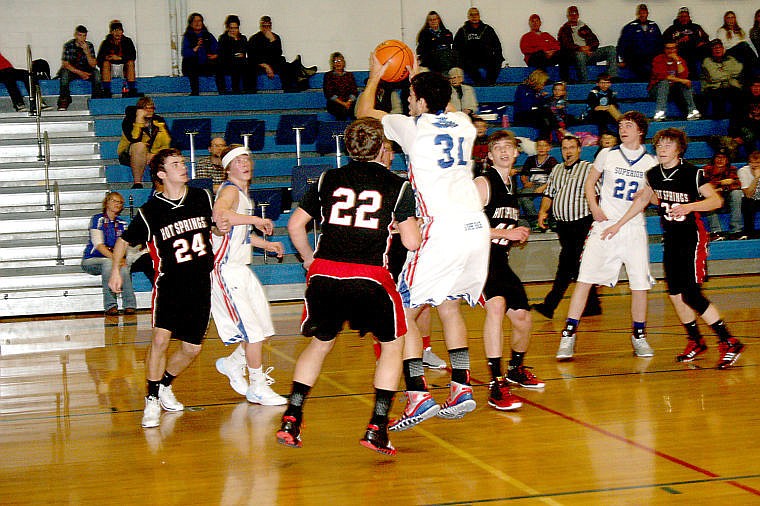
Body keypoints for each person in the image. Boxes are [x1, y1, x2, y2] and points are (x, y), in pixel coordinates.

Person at [357, 60, 491, 430]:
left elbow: (364, 112)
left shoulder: (412, 128)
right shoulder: (464, 122)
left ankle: (417, 394)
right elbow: (442, 100)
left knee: (400, 311)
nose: (408, 102)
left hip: (443, 229)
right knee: (448, 307)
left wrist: (375, 76)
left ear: (417, 100)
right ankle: (462, 387)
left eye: (411, 96)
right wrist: (420, 74)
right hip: (476, 228)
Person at [276, 118, 420, 455]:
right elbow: (411, 243)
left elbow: (296, 225)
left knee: (319, 345)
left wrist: (310, 259)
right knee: (393, 345)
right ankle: (377, 427)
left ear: (348, 146)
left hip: (325, 274)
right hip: (368, 276)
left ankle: (292, 417)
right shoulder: (396, 185)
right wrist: (403, 226)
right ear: (382, 146)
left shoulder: (329, 177)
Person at [109, 148, 224, 428]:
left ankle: (164, 386)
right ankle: (151, 401)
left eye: (183, 162)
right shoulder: (151, 211)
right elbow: (124, 241)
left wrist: (220, 228)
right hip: (170, 284)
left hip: (200, 284)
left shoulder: (201, 197)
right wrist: (116, 269)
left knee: (191, 349)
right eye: (176, 164)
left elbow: (215, 230)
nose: (183, 167)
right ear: (162, 174)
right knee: (160, 340)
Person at [556, 111, 656, 360]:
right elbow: (590, 183)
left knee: (640, 285)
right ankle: (568, 335)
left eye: (629, 125)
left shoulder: (650, 162)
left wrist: (646, 195)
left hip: (632, 229)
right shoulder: (607, 154)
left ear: (640, 131)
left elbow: (654, 198)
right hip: (604, 226)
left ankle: (639, 336)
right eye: (621, 125)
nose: (623, 129)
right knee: (584, 279)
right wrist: (594, 207)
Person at [642, 128, 745, 369]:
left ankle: (729, 341)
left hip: (693, 237)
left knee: (691, 293)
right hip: (671, 237)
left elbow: (716, 201)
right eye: (659, 146)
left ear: (679, 150)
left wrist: (688, 206)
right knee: (675, 294)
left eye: (668, 146)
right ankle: (696, 340)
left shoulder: (692, 173)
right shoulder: (652, 174)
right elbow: (653, 198)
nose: (662, 149)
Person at [210, 145, 287, 405]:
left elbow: (238, 232)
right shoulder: (230, 190)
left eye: (247, 159)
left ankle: (233, 363)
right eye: (238, 161)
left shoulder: (245, 195)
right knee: (253, 333)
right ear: (228, 168)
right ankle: (257, 386)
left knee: (262, 328)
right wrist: (255, 219)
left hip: (241, 269)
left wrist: (267, 244)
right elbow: (220, 214)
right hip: (226, 271)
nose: (245, 164)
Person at [475, 130, 543, 412]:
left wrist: (514, 234)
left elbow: (504, 228)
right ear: (489, 155)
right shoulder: (483, 183)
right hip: (479, 259)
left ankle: (515, 368)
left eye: (509, 147)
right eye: (498, 148)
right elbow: (465, 227)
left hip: (500, 260)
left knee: (523, 318)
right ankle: (495, 382)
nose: (504, 151)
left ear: (516, 153)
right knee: (496, 307)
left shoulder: (511, 184)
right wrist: (506, 233)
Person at [532, 135, 601, 319]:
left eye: (571, 147)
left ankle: (550, 305)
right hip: (563, 225)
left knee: (566, 264)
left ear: (579, 149)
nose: (568, 151)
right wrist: (542, 212)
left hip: (582, 223)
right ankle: (593, 305)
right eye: (564, 148)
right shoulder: (557, 169)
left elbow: (601, 192)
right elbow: (550, 192)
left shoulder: (588, 169)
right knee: (578, 266)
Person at [81, 192, 136, 316]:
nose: (117, 204)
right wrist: (116, 259)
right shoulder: (98, 219)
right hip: (92, 260)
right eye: (114, 201)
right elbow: (98, 245)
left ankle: (130, 305)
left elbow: (125, 245)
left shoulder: (123, 224)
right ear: (106, 202)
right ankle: (111, 305)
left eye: (120, 202)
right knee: (109, 263)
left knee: (123, 266)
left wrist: (120, 260)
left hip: (113, 259)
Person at [247, 16, 316, 93]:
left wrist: (272, 41)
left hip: (273, 63)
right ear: (261, 26)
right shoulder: (254, 38)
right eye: (264, 26)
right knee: (250, 67)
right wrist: (266, 66)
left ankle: (291, 88)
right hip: (259, 65)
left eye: (268, 26)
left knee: (287, 66)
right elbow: (252, 57)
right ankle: (301, 69)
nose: (266, 28)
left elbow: (278, 54)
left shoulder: (275, 37)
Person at [116, 96, 171, 189]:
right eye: (146, 108)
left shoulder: (159, 120)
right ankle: (137, 183)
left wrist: (154, 153)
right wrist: (139, 121)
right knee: (139, 146)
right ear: (140, 109)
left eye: (152, 108)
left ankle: (159, 184)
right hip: (129, 152)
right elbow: (134, 139)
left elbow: (167, 140)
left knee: (167, 153)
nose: (150, 110)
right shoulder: (129, 120)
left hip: (152, 152)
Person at [557, 5, 617, 83]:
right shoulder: (564, 29)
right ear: (568, 16)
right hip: (576, 55)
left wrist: (589, 47)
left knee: (611, 49)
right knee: (580, 55)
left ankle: (611, 77)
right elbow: (566, 45)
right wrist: (580, 48)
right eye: (571, 14)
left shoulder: (584, 27)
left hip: (590, 52)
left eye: (575, 13)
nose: (573, 16)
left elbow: (595, 41)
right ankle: (584, 81)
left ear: (578, 15)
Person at [648, 42, 701, 121]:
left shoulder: (680, 60)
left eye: (673, 48)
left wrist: (677, 61)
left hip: (673, 91)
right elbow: (663, 76)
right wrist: (682, 80)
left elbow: (684, 76)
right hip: (657, 90)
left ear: (676, 49)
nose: (670, 51)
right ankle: (660, 112)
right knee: (664, 82)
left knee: (685, 84)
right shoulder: (658, 59)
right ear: (664, 49)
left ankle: (692, 111)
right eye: (668, 48)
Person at [453, 7, 504, 86]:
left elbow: (497, 45)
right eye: (471, 15)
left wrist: (499, 57)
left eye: (476, 14)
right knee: (465, 62)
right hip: (470, 59)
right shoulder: (462, 31)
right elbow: (456, 48)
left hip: (486, 58)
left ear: (479, 16)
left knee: (497, 60)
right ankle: (480, 83)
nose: (474, 16)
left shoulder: (488, 29)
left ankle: (490, 82)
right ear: (468, 17)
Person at [57, 25, 103, 111]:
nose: (82, 38)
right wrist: (81, 73)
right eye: (80, 35)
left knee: (97, 74)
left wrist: (87, 52)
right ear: (75, 35)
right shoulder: (68, 45)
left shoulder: (89, 45)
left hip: (86, 68)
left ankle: (96, 100)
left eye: (84, 36)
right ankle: (64, 100)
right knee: (64, 74)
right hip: (73, 69)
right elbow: (66, 64)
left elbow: (93, 65)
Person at [702, 149, 743, 240]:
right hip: (712, 199)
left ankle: (736, 231)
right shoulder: (707, 169)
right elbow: (705, 187)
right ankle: (716, 232)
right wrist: (721, 183)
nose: (720, 160)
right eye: (718, 157)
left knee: (737, 193)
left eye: (723, 157)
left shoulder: (731, 169)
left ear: (727, 160)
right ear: (714, 159)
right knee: (708, 195)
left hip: (727, 200)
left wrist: (721, 188)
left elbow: (736, 185)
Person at [617, 4, 664, 82]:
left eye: (644, 13)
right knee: (644, 70)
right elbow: (622, 45)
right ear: (637, 14)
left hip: (651, 58)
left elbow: (660, 43)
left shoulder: (654, 26)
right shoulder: (630, 27)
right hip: (635, 59)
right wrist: (621, 60)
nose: (642, 15)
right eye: (640, 13)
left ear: (647, 13)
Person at [700, 39, 743, 119]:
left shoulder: (730, 59)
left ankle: (738, 118)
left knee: (739, 94)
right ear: (711, 50)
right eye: (715, 48)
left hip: (730, 86)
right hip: (714, 87)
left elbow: (738, 70)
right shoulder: (707, 61)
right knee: (718, 95)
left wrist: (722, 71)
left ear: (723, 49)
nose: (717, 49)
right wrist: (728, 73)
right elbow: (715, 77)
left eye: (719, 47)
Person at [662, 6, 709, 80]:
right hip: (678, 53)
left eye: (686, 16)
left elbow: (705, 39)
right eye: (682, 16)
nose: (684, 18)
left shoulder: (696, 27)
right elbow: (664, 41)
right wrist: (677, 42)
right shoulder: (671, 29)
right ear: (678, 17)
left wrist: (692, 39)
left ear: (689, 17)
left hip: (694, 53)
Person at [96, 20, 139, 98]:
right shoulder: (106, 43)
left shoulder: (128, 41)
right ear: (111, 32)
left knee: (130, 63)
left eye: (119, 30)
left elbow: (133, 56)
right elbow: (99, 60)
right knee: (105, 63)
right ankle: (106, 91)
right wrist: (108, 58)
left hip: (124, 69)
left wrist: (119, 58)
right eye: (115, 30)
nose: (117, 33)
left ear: (122, 32)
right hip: (110, 69)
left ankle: (132, 90)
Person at [519, 137, 557, 224]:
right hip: (533, 184)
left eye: (544, 146)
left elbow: (554, 177)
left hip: (547, 185)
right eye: (539, 146)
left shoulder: (552, 161)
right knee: (521, 196)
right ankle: (531, 221)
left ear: (549, 148)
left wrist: (543, 187)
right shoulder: (530, 159)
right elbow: (524, 173)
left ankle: (543, 221)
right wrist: (525, 182)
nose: (541, 148)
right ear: (536, 147)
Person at [182, 13, 219, 96]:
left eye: (199, 21)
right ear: (191, 23)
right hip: (193, 67)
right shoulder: (188, 36)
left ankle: (223, 92)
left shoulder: (208, 35)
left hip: (206, 65)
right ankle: (195, 92)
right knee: (191, 63)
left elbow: (217, 49)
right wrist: (196, 47)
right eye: (195, 21)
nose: (198, 23)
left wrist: (215, 55)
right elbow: (185, 53)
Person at [513, 69, 555, 139]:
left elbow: (539, 104)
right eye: (542, 84)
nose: (543, 86)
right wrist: (538, 98)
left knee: (546, 119)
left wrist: (540, 98)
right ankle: (559, 130)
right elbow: (527, 106)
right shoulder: (522, 88)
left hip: (532, 115)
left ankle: (543, 140)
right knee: (545, 114)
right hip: (521, 116)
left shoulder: (535, 91)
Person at [217, 15, 249, 94]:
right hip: (227, 62)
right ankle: (224, 90)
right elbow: (223, 53)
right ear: (227, 28)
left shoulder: (243, 38)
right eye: (231, 28)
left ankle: (246, 90)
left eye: (236, 28)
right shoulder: (223, 38)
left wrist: (236, 40)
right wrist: (232, 40)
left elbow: (244, 51)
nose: (234, 30)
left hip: (239, 62)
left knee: (244, 64)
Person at [323, 52, 357, 120]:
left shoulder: (349, 75)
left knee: (356, 110)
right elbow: (329, 93)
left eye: (340, 61)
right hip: (335, 103)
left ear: (344, 62)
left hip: (349, 102)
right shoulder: (328, 76)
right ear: (332, 64)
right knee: (341, 112)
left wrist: (349, 102)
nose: (338, 63)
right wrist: (343, 103)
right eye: (335, 61)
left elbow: (354, 91)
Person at [738, 150, 760, 239]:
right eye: (752, 163)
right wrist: (756, 177)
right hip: (750, 200)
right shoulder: (743, 171)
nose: (755, 165)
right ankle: (748, 232)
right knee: (748, 202)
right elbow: (748, 194)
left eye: (758, 163)